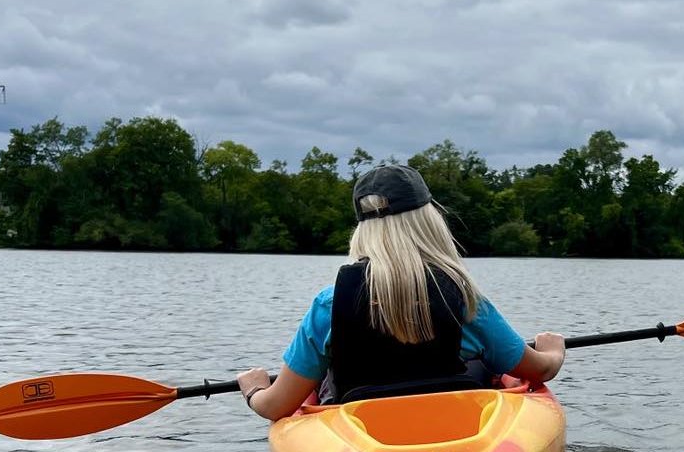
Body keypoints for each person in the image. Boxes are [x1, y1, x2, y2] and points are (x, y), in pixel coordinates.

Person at [237, 164, 565, 421]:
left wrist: (254, 390)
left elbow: (276, 406)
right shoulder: (462, 299)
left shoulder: (331, 304)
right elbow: (538, 370)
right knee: (485, 365)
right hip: (452, 428)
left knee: (327, 378)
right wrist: (553, 352)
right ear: (429, 222)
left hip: (360, 435)